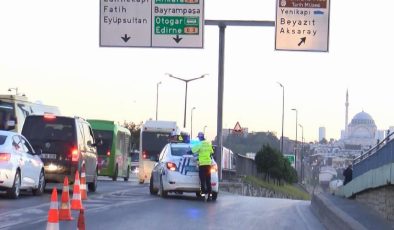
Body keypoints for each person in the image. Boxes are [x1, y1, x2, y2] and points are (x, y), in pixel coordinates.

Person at [192, 132, 214, 201]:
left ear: (199, 137)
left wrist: (188, 151)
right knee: (208, 181)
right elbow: (212, 152)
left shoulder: (199, 144)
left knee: (202, 181)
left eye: (198, 137)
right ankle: (210, 196)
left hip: (202, 165)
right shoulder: (208, 143)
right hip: (208, 165)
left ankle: (203, 196)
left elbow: (193, 150)